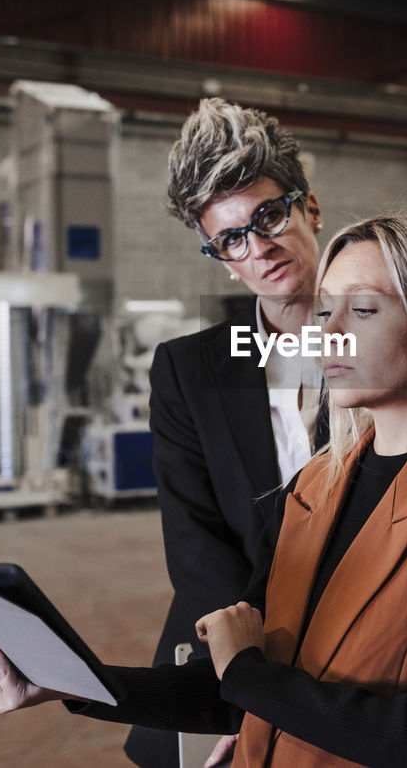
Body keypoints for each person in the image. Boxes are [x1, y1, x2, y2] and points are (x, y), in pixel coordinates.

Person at [0, 211, 407, 768]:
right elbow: (234, 691)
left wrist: (247, 675)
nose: (326, 332)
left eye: (362, 311)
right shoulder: (314, 484)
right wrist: (73, 682)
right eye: (326, 309)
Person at [129, 97, 330, 768]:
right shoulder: (189, 370)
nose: (259, 245)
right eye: (232, 238)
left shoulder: (391, 344)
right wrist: (243, 679)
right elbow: (195, 544)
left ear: (311, 209)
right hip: (226, 651)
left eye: (269, 214)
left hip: (357, 643)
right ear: (221, 258)